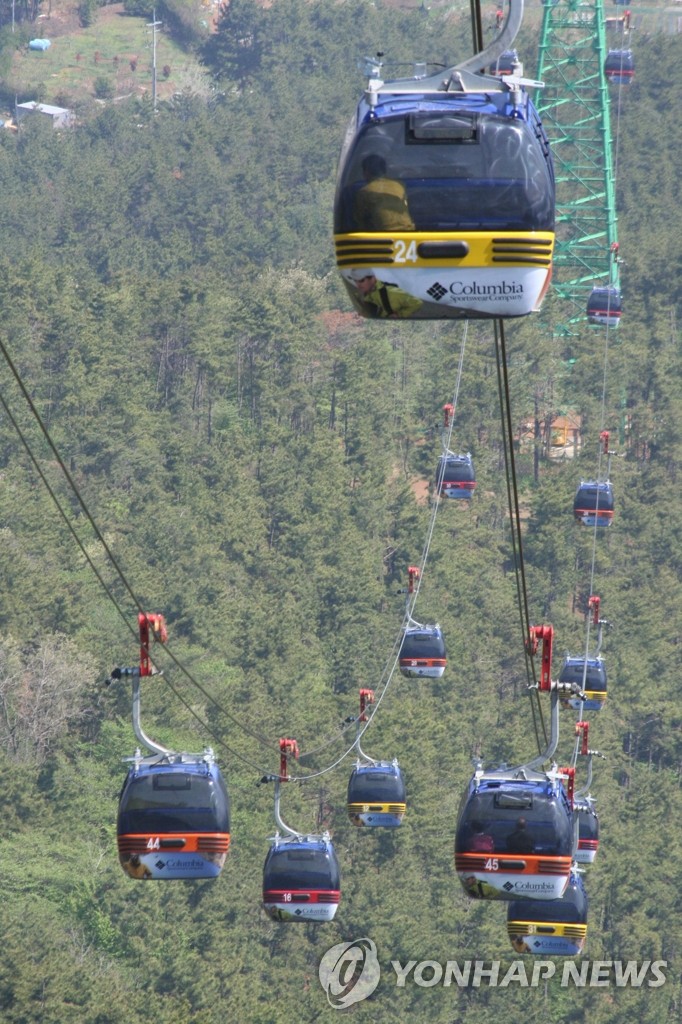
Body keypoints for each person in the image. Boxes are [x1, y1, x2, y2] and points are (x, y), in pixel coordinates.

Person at [353, 154, 415, 231]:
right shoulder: (399, 185)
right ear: (385, 171)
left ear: (366, 172)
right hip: (409, 230)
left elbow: (360, 222)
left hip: (384, 235)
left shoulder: (364, 192)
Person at [347, 268, 423, 319]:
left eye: (361, 280)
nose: (358, 285)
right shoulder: (358, 295)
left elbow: (417, 303)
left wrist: (399, 315)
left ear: (373, 279)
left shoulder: (391, 293)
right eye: (355, 281)